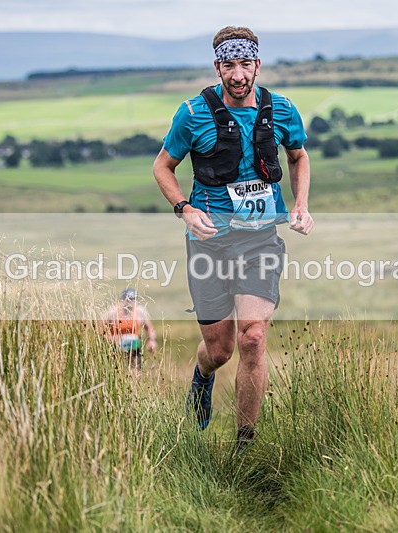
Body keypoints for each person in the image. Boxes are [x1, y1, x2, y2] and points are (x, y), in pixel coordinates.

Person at [152, 26, 313, 452]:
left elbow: (298, 156)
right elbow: (162, 167)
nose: (238, 74)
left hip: (260, 240)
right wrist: (184, 209)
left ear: (258, 64)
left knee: (253, 338)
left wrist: (300, 205)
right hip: (210, 244)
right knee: (220, 349)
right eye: (229, 65)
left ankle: (245, 447)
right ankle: (203, 375)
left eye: (245, 64)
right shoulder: (192, 113)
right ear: (217, 66)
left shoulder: (282, 109)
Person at [103, 288, 157, 370]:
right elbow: (101, 330)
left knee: (135, 369)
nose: (130, 302)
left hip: (134, 347)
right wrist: (111, 338)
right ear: (122, 300)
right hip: (115, 348)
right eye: (127, 299)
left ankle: (134, 381)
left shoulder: (140, 312)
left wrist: (151, 340)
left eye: (132, 299)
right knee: (116, 371)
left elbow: (149, 328)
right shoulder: (113, 312)